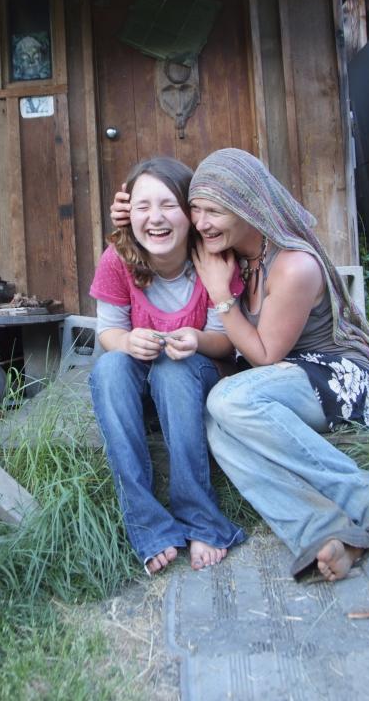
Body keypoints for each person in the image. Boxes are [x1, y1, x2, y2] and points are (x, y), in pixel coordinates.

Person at [112, 148, 369, 582]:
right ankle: (324, 531)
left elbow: (264, 355)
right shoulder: (232, 249)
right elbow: (155, 221)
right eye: (196, 209)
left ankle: (368, 499)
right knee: (218, 426)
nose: (200, 223)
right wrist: (125, 209)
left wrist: (220, 294)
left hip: (338, 378)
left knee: (228, 398)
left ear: (248, 206)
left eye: (214, 211)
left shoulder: (293, 265)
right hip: (283, 380)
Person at [89, 156, 246, 576]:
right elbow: (107, 330)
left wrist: (197, 340)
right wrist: (126, 341)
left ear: (190, 213)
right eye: (143, 207)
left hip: (195, 379)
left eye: (168, 205)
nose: (155, 219)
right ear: (128, 214)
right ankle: (147, 525)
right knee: (108, 369)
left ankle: (201, 518)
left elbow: (226, 341)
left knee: (174, 370)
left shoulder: (211, 260)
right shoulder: (116, 259)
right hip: (142, 386)